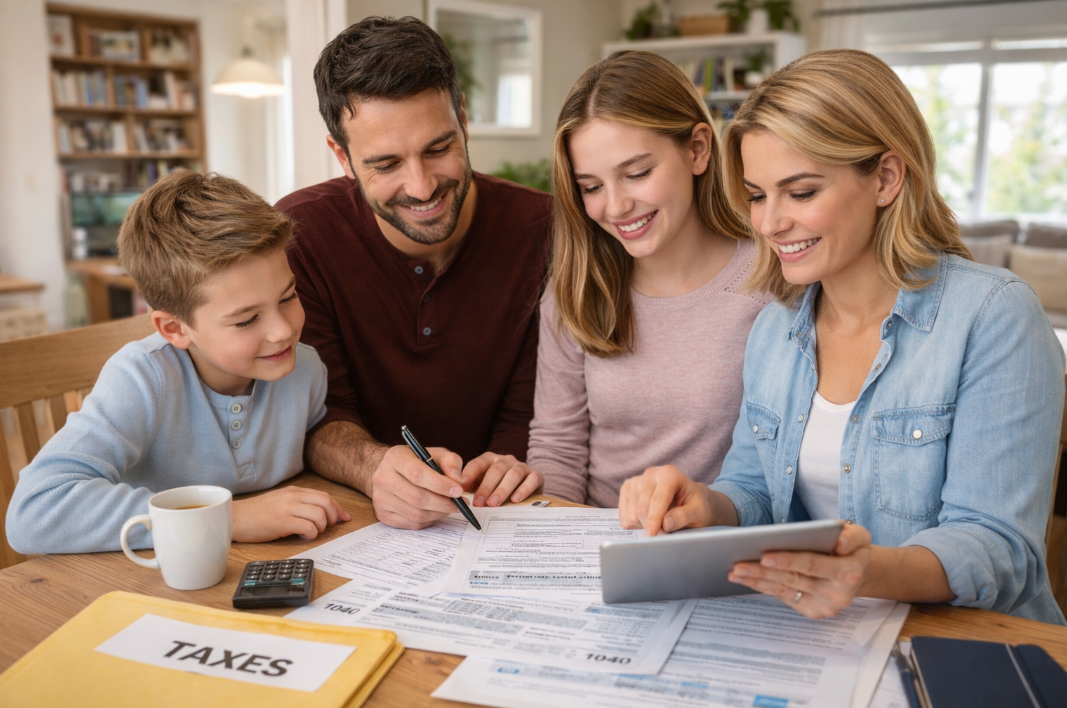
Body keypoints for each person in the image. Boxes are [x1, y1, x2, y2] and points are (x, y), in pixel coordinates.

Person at [618, 49, 1067, 625]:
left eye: (801, 192)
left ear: (885, 178)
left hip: (967, 646)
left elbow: (999, 547)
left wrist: (865, 570)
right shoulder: (776, 327)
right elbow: (754, 490)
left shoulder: (994, 316)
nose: (769, 223)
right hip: (825, 638)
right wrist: (706, 504)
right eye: (757, 195)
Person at [277, 17, 550, 530]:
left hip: (503, 516)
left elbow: (536, 408)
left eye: (438, 148)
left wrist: (510, 462)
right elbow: (318, 414)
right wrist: (373, 466)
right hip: (358, 516)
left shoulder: (544, 229)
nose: (422, 187)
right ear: (342, 156)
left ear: (462, 119)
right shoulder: (298, 236)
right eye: (386, 165)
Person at [6, 170, 350, 554]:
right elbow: (34, 511)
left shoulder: (305, 369)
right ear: (174, 328)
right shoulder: (142, 380)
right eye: (246, 320)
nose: (283, 331)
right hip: (153, 576)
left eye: (288, 297)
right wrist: (228, 518)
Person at [527, 51, 771, 508]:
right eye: (591, 187)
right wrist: (553, 536)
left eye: (637, 173)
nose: (616, 207)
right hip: (598, 536)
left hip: (720, 534)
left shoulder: (770, 279)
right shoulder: (577, 292)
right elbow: (557, 448)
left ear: (697, 150)